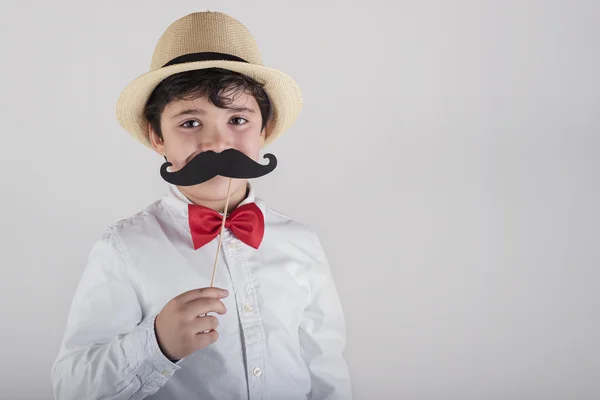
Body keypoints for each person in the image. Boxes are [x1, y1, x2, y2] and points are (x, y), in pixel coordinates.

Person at [51, 11, 352, 400]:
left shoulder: (301, 242)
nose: (216, 143)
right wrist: (156, 343)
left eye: (238, 119)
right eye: (190, 123)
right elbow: (71, 386)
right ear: (156, 137)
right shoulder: (123, 248)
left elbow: (327, 371)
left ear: (266, 130)